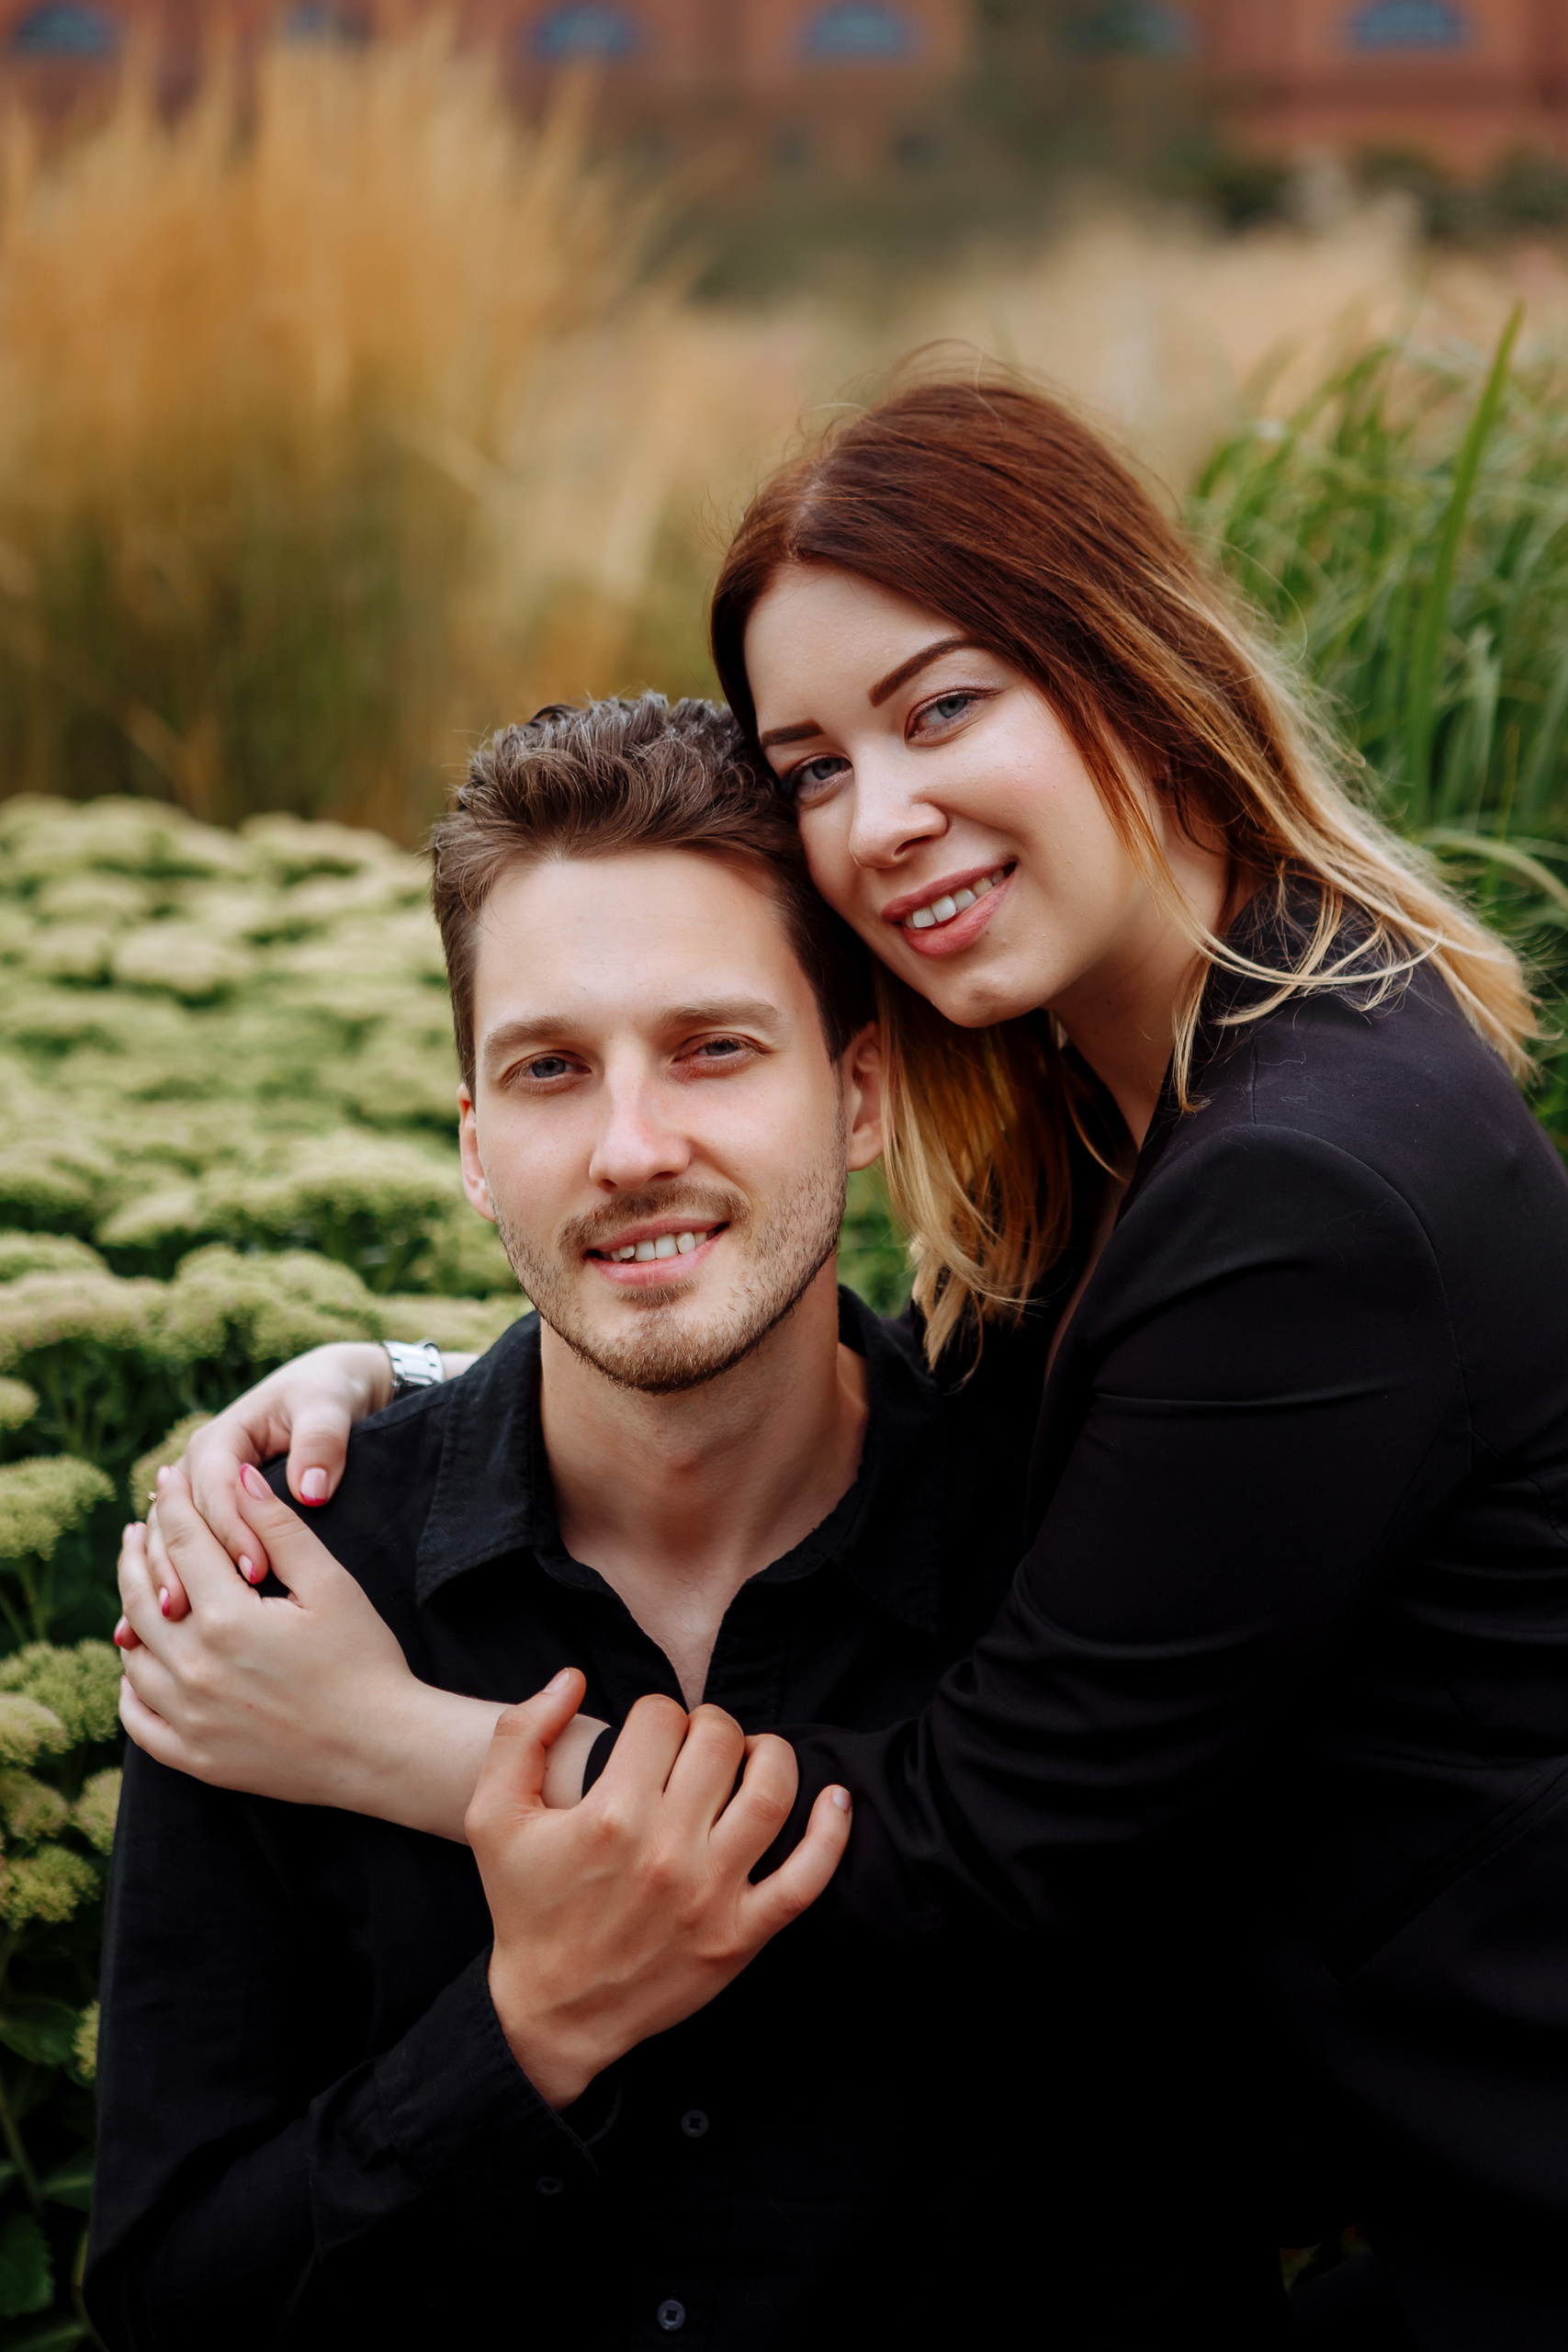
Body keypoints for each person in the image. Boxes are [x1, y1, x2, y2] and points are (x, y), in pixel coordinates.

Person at [160, 376, 1568, 2350]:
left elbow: (969, 1847)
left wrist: (378, 1739)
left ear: (1126, 659)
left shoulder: (1303, 1183)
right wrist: (408, 1373)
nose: (879, 821)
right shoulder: (1153, 1087)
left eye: (941, 708)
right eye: (810, 764)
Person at [94, 695, 1277, 2350]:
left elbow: (1189, 2246)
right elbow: (169, 2309)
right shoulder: (278, 1589)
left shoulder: (1064, 1570)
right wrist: (522, 2039)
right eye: (551, 1071)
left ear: (861, 1095)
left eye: (714, 1047)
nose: (632, 1148)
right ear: (475, 1151)